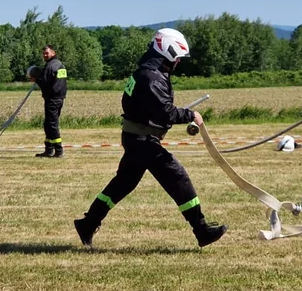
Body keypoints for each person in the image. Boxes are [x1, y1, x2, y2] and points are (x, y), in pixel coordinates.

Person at [73, 28, 226, 248]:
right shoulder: (151, 76)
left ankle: (87, 223)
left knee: (122, 184)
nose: (179, 62)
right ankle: (201, 230)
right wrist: (191, 115)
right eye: (178, 57)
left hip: (137, 138)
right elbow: (164, 111)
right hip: (143, 141)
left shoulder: (147, 73)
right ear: (169, 51)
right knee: (178, 178)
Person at [30, 45, 67, 158]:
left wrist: (36, 80)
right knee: (48, 124)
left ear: (53, 52)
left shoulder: (50, 66)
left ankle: (58, 150)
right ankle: (49, 150)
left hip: (52, 99)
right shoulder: (60, 65)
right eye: (44, 53)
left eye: (47, 53)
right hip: (59, 98)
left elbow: (45, 84)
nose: (45, 55)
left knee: (52, 125)